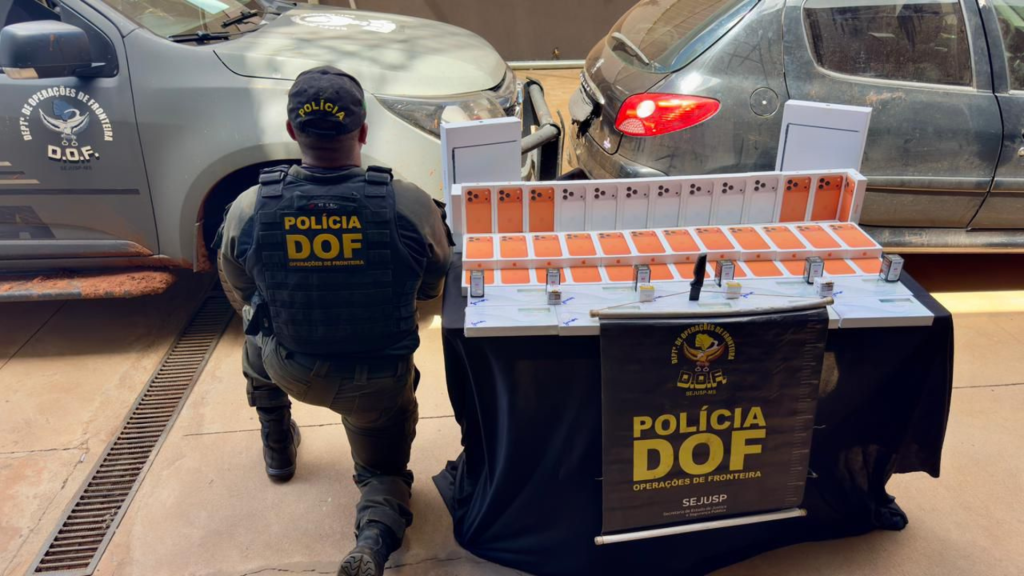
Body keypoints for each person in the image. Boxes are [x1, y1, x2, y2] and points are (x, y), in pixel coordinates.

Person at [217, 66, 452, 576]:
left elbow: (240, 288)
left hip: (290, 366)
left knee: (256, 327)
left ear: (291, 130)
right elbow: (433, 285)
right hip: (376, 382)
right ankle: (372, 541)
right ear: (363, 132)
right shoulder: (409, 203)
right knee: (382, 472)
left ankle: (277, 445)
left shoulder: (249, 207)